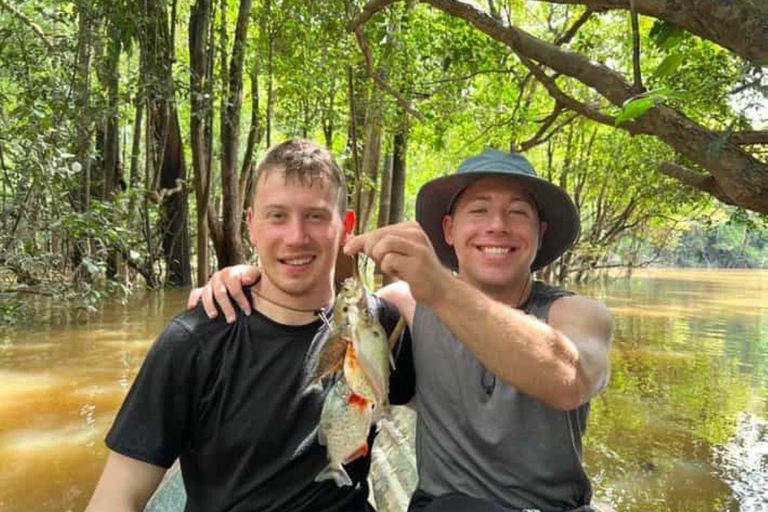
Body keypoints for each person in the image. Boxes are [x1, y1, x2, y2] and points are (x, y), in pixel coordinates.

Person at [190, 149, 612, 512]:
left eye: (517, 212)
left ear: (541, 233)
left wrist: (442, 289)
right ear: (448, 230)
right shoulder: (406, 306)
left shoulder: (577, 314)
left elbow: (569, 379)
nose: (497, 225)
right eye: (478, 210)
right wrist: (246, 278)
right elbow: (324, 300)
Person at [85, 138, 406, 512]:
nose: (296, 236)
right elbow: (119, 495)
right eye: (277, 216)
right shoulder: (195, 341)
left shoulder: (377, 328)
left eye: (316, 216)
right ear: (252, 225)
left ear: (346, 226)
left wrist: (428, 283)